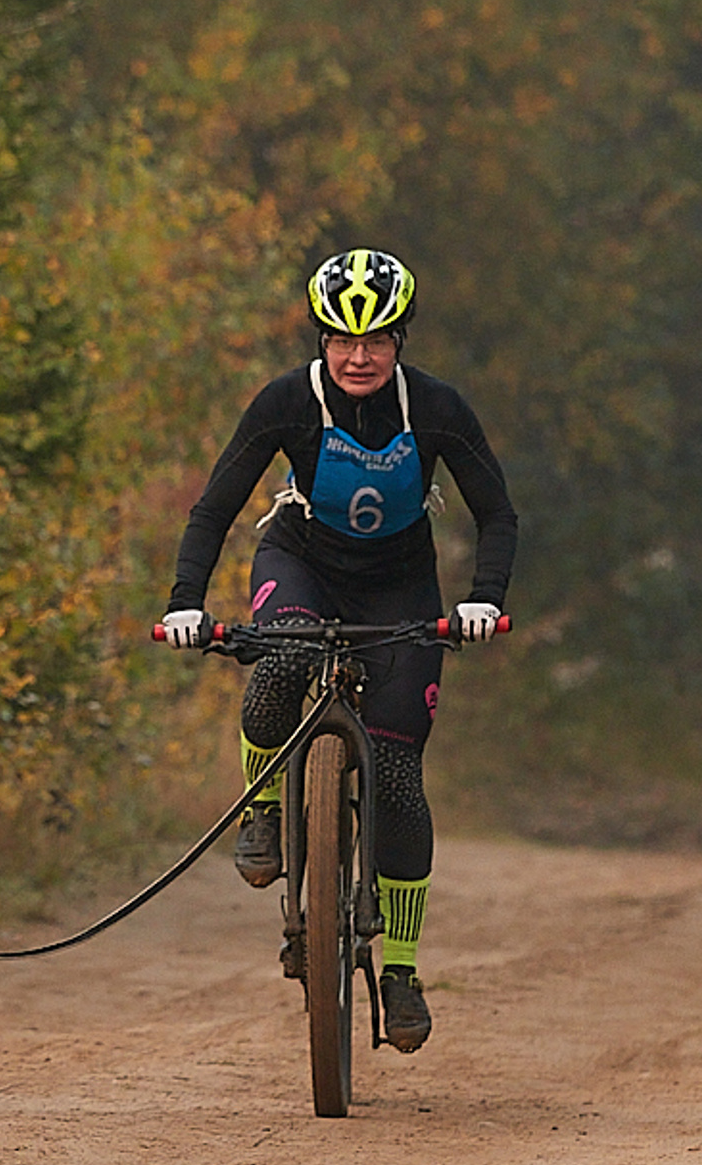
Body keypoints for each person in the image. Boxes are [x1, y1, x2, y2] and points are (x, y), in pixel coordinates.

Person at [159, 248, 515, 1052]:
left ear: (400, 342)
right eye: (342, 341)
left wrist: (483, 600)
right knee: (278, 659)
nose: (358, 358)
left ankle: (402, 969)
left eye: (377, 341)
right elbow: (214, 508)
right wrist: (186, 604)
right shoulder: (287, 402)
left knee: (395, 776)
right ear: (321, 340)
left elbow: (498, 514)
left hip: (400, 589)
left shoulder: (438, 408)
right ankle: (261, 812)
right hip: (302, 562)